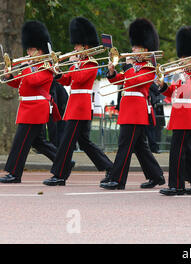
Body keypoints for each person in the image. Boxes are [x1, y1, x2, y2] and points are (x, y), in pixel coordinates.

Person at [43, 17, 114, 186]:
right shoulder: (80, 63)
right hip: (75, 105)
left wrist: (74, 64)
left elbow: (80, 78)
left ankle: (60, 174)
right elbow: (68, 80)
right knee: (84, 142)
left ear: (85, 46)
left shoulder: (91, 63)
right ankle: (110, 167)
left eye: (77, 46)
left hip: (81, 107)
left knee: (67, 141)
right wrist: (58, 73)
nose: (74, 48)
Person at [100, 18, 165, 190]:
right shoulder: (133, 66)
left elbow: (138, 82)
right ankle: (156, 176)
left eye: (136, 47)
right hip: (128, 108)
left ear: (145, 49)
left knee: (125, 145)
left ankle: (117, 179)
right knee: (139, 147)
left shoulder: (149, 67)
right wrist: (112, 71)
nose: (133, 50)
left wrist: (128, 67)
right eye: (133, 46)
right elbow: (119, 81)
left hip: (136, 110)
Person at [0, 21, 59, 183]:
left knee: (20, 142)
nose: (28, 52)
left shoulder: (46, 68)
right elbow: (19, 83)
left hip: (35, 109)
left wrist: (25, 66)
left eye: (31, 49)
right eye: (28, 49)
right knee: (39, 143)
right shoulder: (32, 67)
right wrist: (8, 75)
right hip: (27, 108)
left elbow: (33, 81)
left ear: (40, 51)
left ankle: (14, 173)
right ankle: (64, 162)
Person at [157, 26, 191, 196]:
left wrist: (183, 77)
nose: (181, 59)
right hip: (178, 113)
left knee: (177, 152)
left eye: (185, 57)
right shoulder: (183, 73)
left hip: (186, 115)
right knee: (187, 151)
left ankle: (177, 185)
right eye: (182, 56)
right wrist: (163, 86)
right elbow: (172, 92)